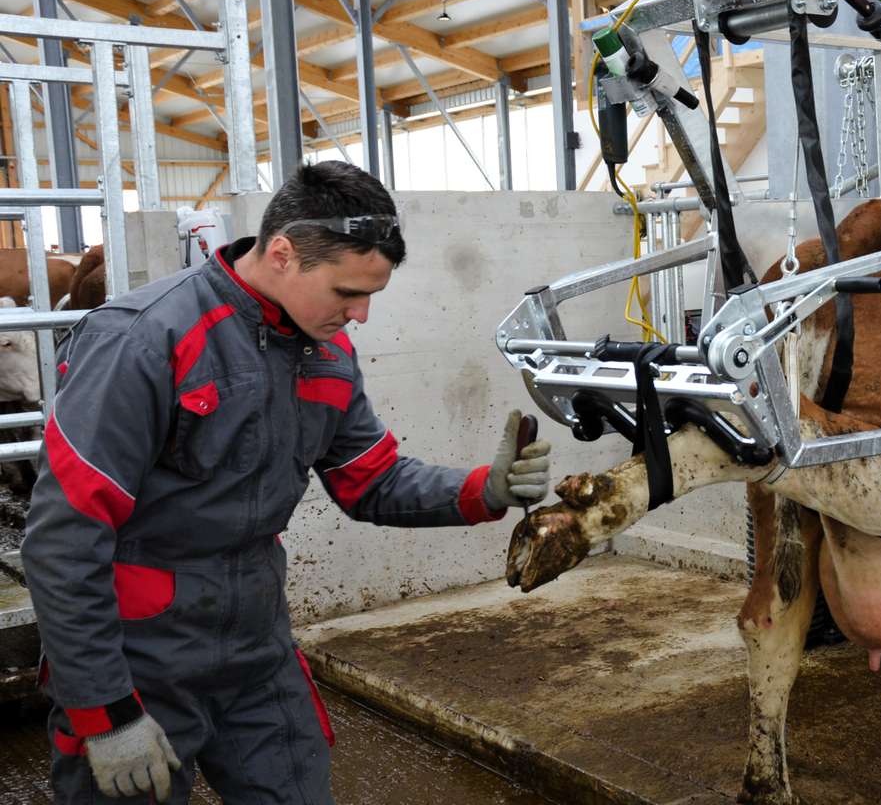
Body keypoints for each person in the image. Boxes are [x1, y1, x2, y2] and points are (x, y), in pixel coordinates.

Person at [21, 161, 552, 803]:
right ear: (282, 254)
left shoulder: (325, 352)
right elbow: (63, 544)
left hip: (256, 646)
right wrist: (103, 711)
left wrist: (482, 491)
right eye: (346, 292)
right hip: (141, 658)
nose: (359, 315)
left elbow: (371, 480)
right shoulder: (144, 341)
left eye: (371, 295)